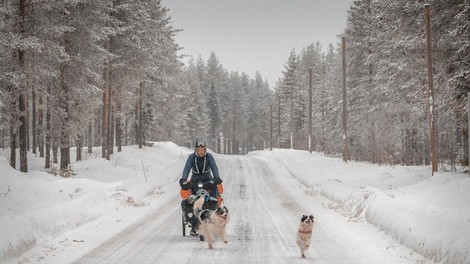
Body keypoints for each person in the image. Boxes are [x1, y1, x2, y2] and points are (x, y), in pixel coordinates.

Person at [179, 140, 222, 236]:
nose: (201, 152)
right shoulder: (191, 157)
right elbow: (187, 168)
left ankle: (215, 222)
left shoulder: (209, 157)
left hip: (208, 180)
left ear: (205, 150)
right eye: (199, 150)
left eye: (202, 150)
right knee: (193, 201)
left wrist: (216, 178)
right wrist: (183, 179)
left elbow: (214, 167)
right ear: (196, 150)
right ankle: (194, 226)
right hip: (195, 180)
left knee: (213, 199)